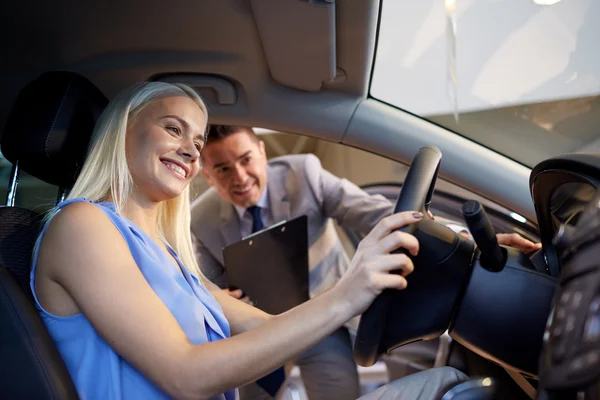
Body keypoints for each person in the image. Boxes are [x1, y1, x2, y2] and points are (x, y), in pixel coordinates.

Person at [30, 81, 469, 400]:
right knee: (453, 390)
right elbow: (186, 375)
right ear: (122, 131)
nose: (190, 149)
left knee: (446, 382)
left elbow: (266, 327)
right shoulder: (83, 225)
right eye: (173, 129)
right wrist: (346, 294)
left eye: (196, 140)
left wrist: (443, 245)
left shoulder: (167, 253)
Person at [190, 125, 542, 398]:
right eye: (222, 169)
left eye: (246, 159)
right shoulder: (199, 221)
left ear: (262, 152)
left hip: (323, 320)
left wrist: (471, 239)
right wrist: (221, 301)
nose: (239, 177)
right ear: (206, 174)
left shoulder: (305, 175)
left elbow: (379, 213)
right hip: (258, 330)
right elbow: (205, 290)